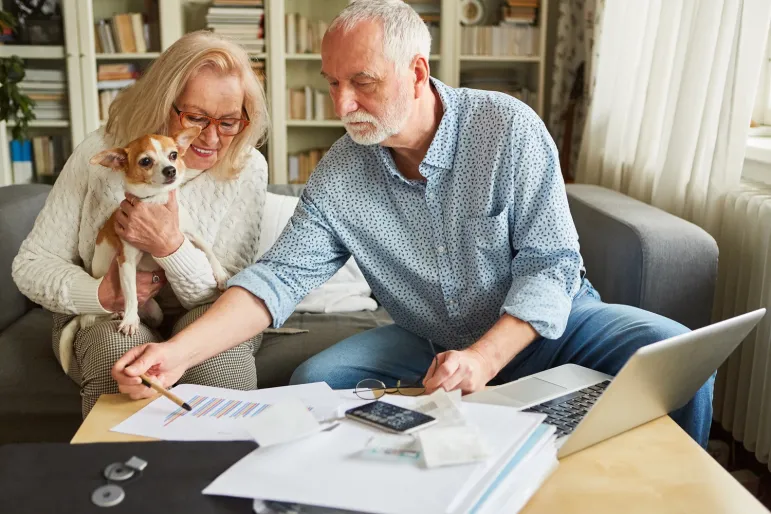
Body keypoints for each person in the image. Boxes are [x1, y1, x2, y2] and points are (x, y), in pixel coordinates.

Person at [111, 0, 714, 447]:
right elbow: (278, 279)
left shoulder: (509, 128)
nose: (341, 105)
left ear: (417, 72)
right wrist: (177, 354)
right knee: (318, 376)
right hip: (431, 338)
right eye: (333, 84)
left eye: (362, 83)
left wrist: (482, 358)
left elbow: (551, 268)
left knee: (675, 355)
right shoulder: (341, 172)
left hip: (555, 326)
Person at [12, 30, 269, 417]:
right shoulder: (102, 153)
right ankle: (122, 475)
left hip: (203, 313)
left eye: (230, 121)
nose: (211, 137)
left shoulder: (248, 169)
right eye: (196, 118)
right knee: (119, 357)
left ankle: (219, 473)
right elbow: (31, 265)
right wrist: (99, 295)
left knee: (223, 364)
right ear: (163, 103)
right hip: (109, 311)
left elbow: (232, 297)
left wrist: (172, 248)